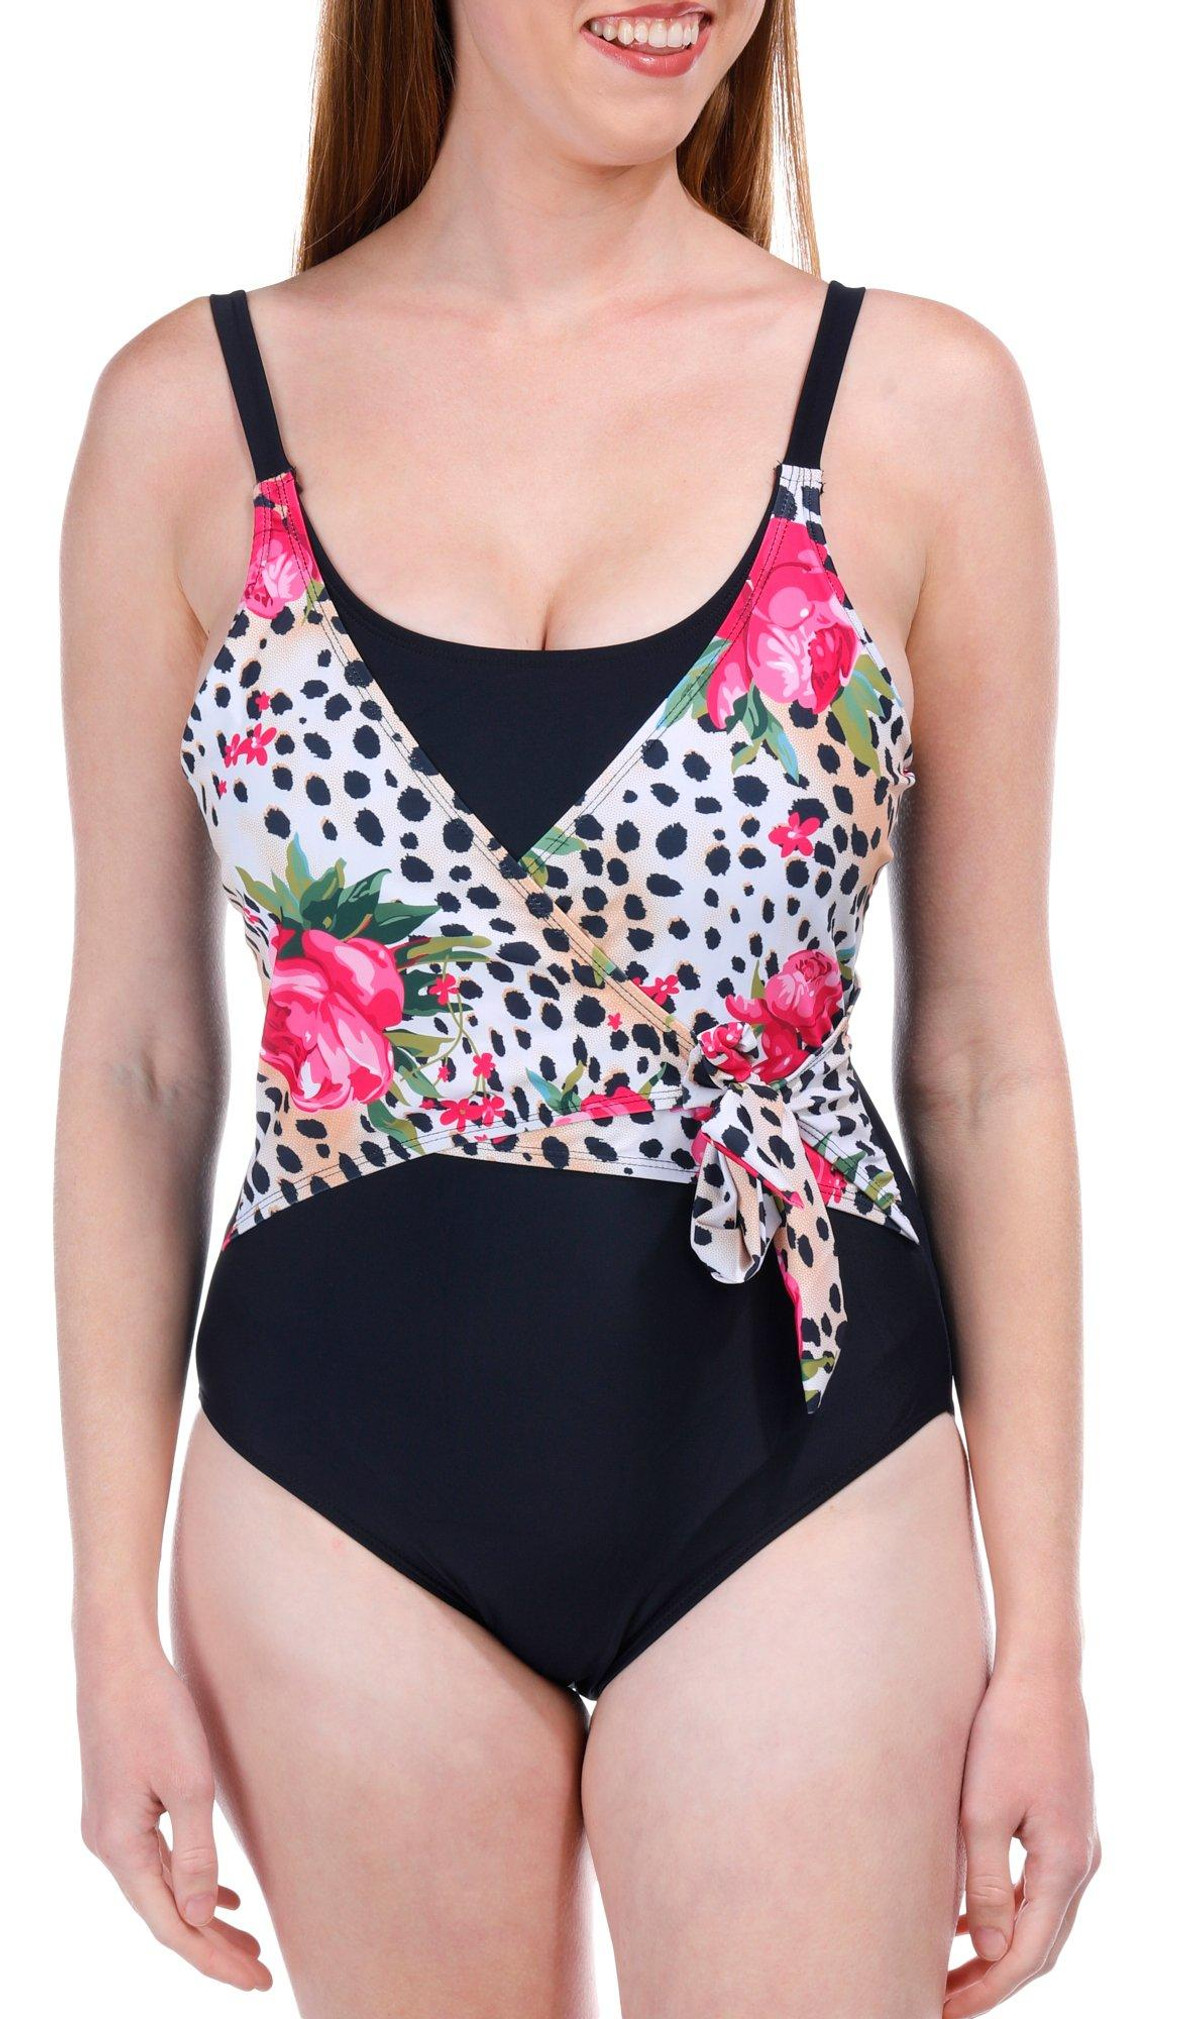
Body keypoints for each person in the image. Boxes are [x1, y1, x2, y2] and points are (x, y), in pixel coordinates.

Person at [57, 4, 1098, 2013]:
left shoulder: (917, 405)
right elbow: (136, 1059)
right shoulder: (186, 414)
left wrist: (1043, 1638)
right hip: (329, 1484)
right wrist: (107, 1624)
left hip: (798, 1457)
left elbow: (986, 1054)